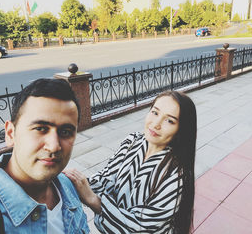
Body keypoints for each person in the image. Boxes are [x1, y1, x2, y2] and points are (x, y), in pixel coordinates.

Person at [0, 78, 89, 233]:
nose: (54, 146)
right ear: (10, 133)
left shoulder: (67, 185)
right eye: (40, 128)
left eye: (66, 132)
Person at [65, 91, 197, 234]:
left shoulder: (177, 174)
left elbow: (142, 226)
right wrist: (72, 184)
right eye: (155, 112)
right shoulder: (132, 141)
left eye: (169, 121)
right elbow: (107, 177)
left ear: (180, 130)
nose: (156, 124)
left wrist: (94, 200)